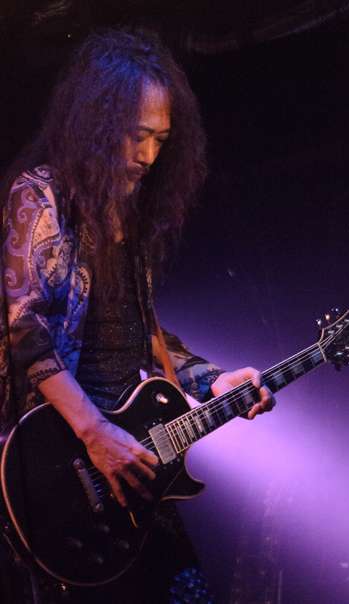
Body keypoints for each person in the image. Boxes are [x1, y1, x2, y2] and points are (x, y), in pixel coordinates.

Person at [0, 29, 275, 604]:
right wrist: (95, 434)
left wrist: (212, 379)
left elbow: (141, 336)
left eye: (160, 140)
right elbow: (26, 327)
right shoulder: (41, 196)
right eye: (136, 135)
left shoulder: (128, 218)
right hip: (66, 465)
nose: (149, 156)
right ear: (96, 124)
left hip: (134, 460)